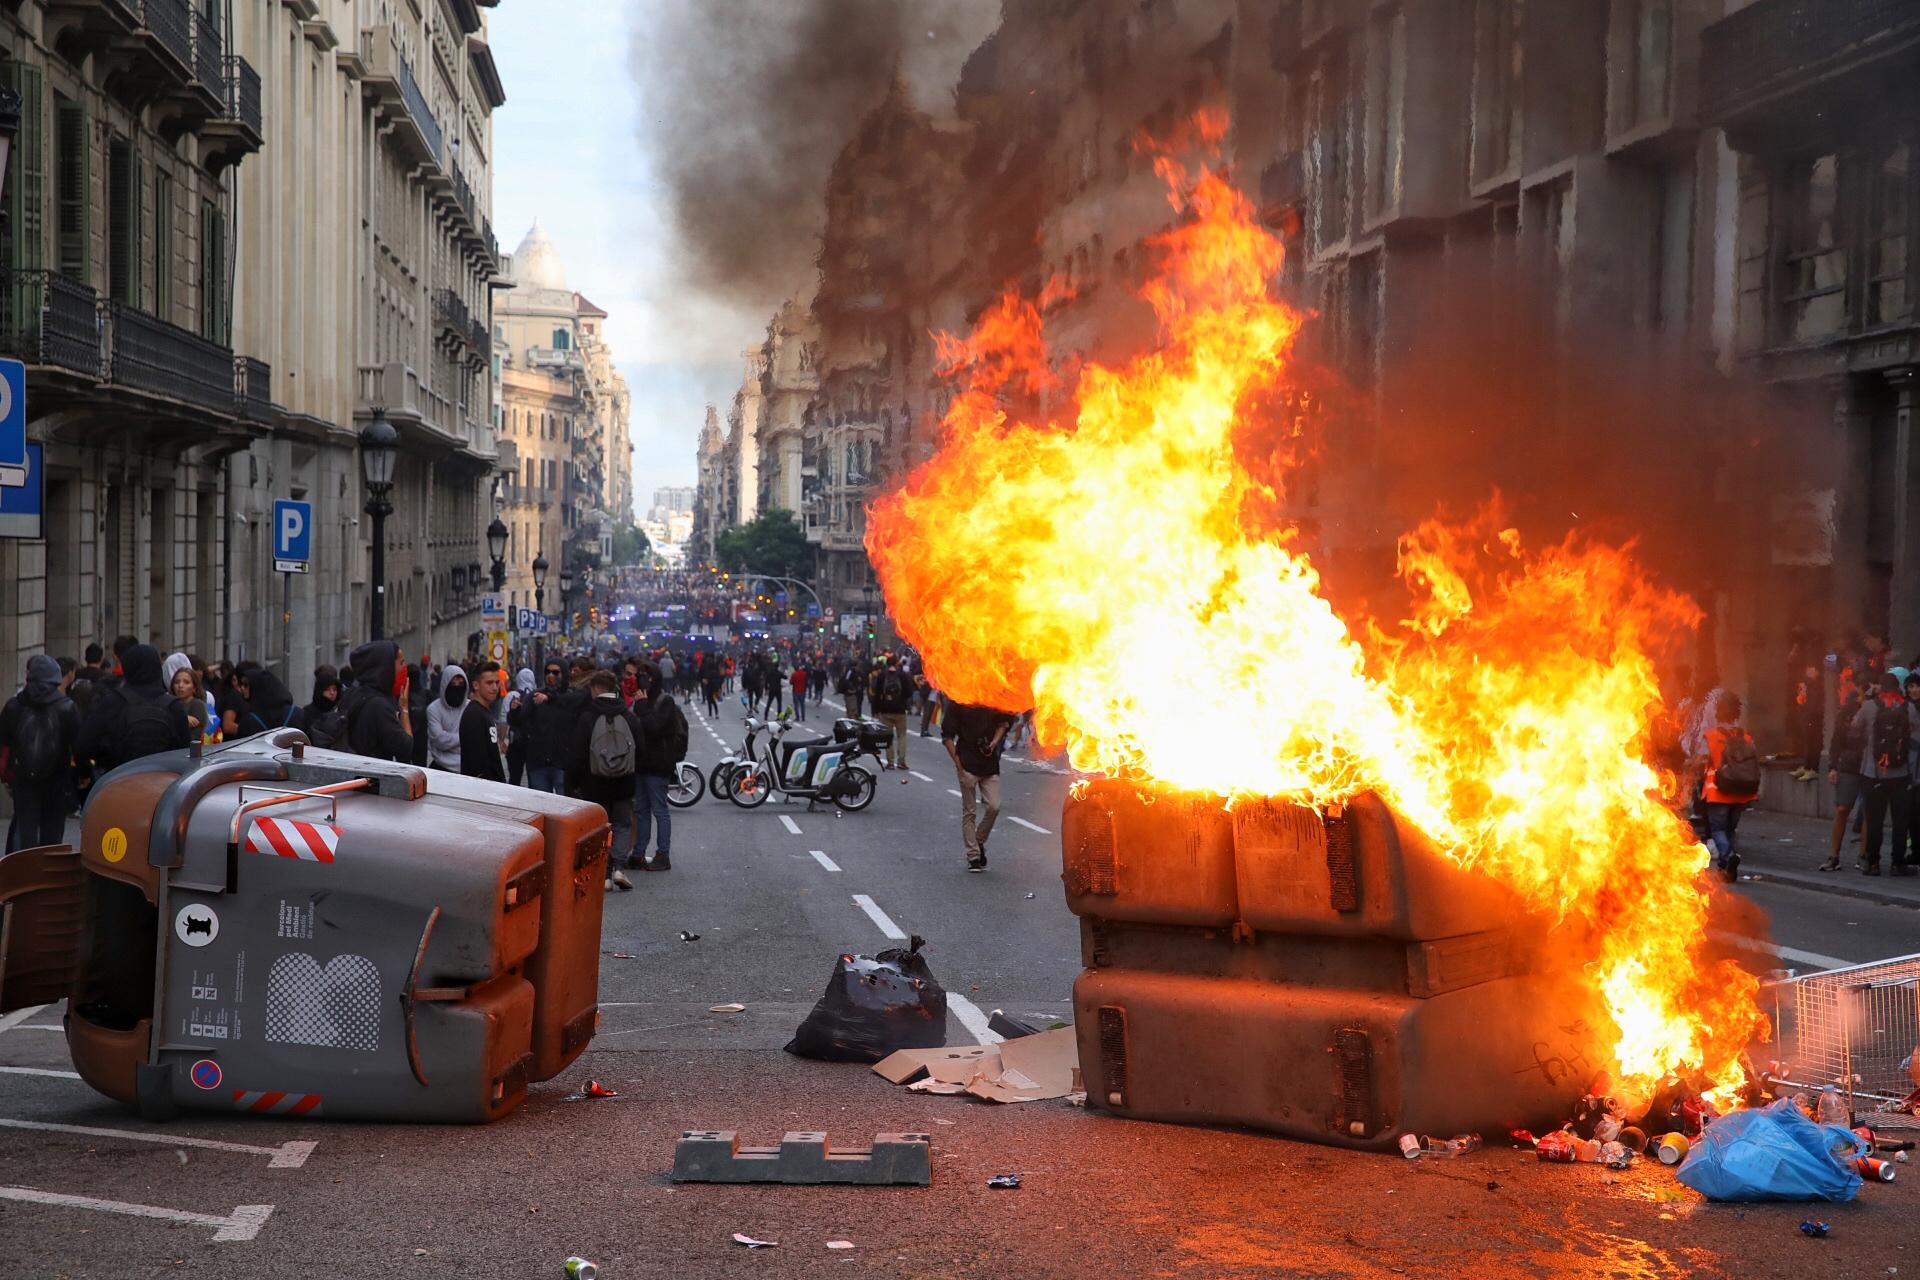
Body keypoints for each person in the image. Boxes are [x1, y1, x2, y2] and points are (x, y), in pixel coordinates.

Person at [569, 669, 642, 892]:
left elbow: (579, 753)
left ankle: (604, 874)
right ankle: (618, 867)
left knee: (600, 828)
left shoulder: (588, 716)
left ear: (595, 689)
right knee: (622, 825)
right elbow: (641, 748)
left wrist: (574, 783)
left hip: (594, 783)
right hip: (624, 782)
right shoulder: (628, 716)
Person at [1, 655, 84, 851]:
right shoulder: (66, 708)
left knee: (26, 827)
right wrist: (80, 775)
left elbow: (4, 742)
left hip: (23, 778)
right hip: (57, 777)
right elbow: (79, 745)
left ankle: (26, 871)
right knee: (52, 831)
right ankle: (47, 873)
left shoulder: (14, 706)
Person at [77, 643, 192, 773]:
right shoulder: (173, 706)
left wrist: (90, 769)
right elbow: (185, 753)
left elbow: (84, 744)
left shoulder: (114, 702)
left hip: (118, 780)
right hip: (163, 783)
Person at [1849, 672, 1920, 877]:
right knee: (1900, 822)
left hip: (1874, 773)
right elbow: (1915, 736)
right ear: (1898, 688)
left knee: (1874, 820)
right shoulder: (1909, 708)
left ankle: (1873, 864)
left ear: (1880, 687)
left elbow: (1854, 728)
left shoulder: (1870, 706)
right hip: (1901, 773)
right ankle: (1898, 864)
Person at [942, 699, 1018, 872]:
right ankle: (973, 856)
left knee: (994, 806)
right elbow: (947, 736)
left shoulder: (991, 697)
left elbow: (1003, 723)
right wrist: (958, 764)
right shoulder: (958, 701)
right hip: (967, 765)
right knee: (969, 812)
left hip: (989, 765)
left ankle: (979, 841)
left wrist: (994, 743)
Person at [1696, 690, 1761, 883]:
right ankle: (1727, 869)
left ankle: (1728, 856)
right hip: (1741, 792)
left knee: (1718, 830)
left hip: (1718, 792)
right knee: (1730, 829)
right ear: (1737, 713)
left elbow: (1700, 759)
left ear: (1718, 712)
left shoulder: (1712, 736)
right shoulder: (1747, 737)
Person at [631, 662, 687, 873]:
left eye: (648, 677)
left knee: (660, 810)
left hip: (658, 765)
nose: (643, 680)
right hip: (640, 764)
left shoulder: (666, 701)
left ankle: (663, 854)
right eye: (641, 677)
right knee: (641, 811)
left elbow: (654, 728)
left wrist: (643, 706)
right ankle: (638, 854)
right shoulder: (639, 700)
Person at [340, 640, 414, 762]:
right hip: (370, 775)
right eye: (401, 663)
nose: (405, 668)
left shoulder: (353, 693)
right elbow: (406, 748)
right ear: (386, 668)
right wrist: (404, 709)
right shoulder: (379, 706)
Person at [514, 659, 582, 794]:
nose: (551, 676)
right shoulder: (534, 696)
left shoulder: (570, 698)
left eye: (556, 672)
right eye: (548, 672)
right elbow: (521, 721)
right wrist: (515, 711)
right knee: (541, 806)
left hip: (563, 763)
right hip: (538, 762)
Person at [458, 662, 507, 782]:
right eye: (489, 683)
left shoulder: (484, 712)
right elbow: (477, 763)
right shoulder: (474, 715)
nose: (495, 688)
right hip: (482, 790)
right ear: (476, 685)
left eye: (497, 682)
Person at [869, 656, 914, 770]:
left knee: (888, 737)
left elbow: (877, 693)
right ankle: (901, 761)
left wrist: (876, 710)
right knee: (901, 736)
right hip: (900, 710)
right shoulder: (902, 675)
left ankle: (890, 762)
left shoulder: (882, 675)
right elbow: (909, 692)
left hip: (885, 710)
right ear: (897, 663)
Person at [426, 663, 469, 771]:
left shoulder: (471, 708)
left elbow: (476, 741)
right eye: (453, 683)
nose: (457, 687)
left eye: (460, 683)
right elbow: (439, 740)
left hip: (466, 768)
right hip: (440, 767)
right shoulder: (433, 709)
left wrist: (449, 740)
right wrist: (464, 738)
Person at [292, 667, 348, 750]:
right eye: (327, 689)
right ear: (320, 690)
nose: (332, 693)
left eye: (334, 689)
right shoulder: (307, 713)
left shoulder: (341, 710)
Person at [162, 653, 209, 743]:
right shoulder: (169, 703)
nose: (180, 685)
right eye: (177, 682)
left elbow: (192, 738)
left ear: (194, 687)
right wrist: (183, 719)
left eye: (186, 682)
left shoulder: (197, 705)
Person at [503, 668, 534, 785]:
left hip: (515, 741)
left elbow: (503, 719)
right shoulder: (537, 695)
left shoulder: (512, 695)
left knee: (514, 777)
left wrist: (501, 740)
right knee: (533, 779)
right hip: (532, 743)